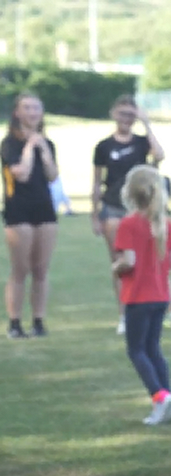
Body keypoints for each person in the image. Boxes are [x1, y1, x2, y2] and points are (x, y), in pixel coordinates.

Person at [92, 94, 171, 335]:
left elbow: (159, 156)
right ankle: (124, 317)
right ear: (113, 113)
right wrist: (94, 213)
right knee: (121, 263)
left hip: (143, 209)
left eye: (131, 113)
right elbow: (97, 182)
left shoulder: (141, 142)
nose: (127, 118)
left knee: (157, 259)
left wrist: (147, 124)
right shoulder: (104, 146)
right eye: (122, 113)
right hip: (114, 207)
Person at [112, 165, 171, 425]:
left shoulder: (129, 224)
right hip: (160, 296)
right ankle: (170, 399)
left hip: (137, 297)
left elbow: (128, 261)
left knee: (136, 350)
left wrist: (115, 267)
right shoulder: (164, 223)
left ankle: (160, 396)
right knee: (154, 348)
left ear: (130, 193)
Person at [2, 93, 59, 339]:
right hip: (18, 210)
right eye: (27, 108)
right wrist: (30, 146)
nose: (32, 112)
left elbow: (52, 175)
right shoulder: (9, 144)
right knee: (21, 268)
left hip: (44, 208)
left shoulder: (47, 143)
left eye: (36, 108)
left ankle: (38, 320)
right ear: (17, 113)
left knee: (41, 269)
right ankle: (15, 322)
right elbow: (22, 174)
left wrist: (43, 148)